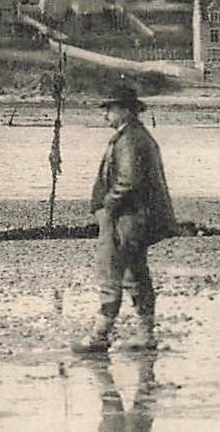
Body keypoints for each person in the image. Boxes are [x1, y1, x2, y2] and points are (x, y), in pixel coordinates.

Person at [71, 83, 177, 353]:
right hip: (136, 219)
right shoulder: (136, 135)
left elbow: (128, 180)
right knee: (135, 273)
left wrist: (107, 205)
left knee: (111, 273)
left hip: (125, 219)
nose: (105, 114)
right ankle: (145, 333)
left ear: (127, 111)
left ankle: (100, 336)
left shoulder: (129, 139)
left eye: (110, 108)